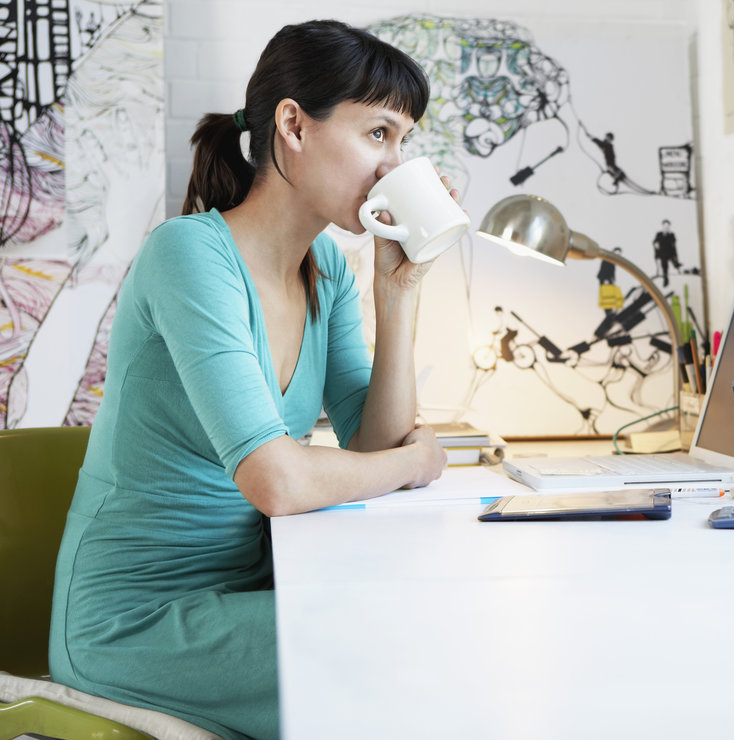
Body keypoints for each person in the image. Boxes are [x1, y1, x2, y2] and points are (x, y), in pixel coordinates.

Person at [48, 20, 448, 740]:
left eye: (403, 141)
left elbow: (372, 445)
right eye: (378, 134)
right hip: (136, 624)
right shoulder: (189, 255)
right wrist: (415, 463)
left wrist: (399, 292)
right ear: (294, 125)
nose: (395, 166)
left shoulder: (326, 270)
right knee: (402, 649)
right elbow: (280, 483)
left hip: (257, 588)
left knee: (425, 619)